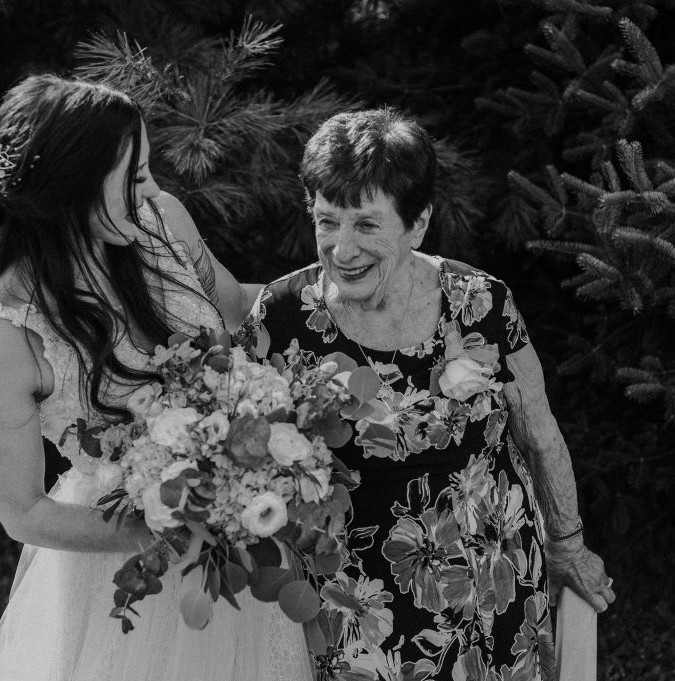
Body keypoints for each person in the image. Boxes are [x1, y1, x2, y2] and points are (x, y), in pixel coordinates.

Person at [0, 74, 311, 681]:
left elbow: (238, 308)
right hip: (121, 576)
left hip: (246, 537)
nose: (150, 186)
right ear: (70, 189)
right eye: (132, 177)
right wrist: (169, 528)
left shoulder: (161, 221)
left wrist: (340, 300)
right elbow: (23, 512)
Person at [241, 109, 614, 680]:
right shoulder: (283, 317)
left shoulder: (481, 303)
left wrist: (567, 544)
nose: (342, 249)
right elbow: (244, 451)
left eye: (367, 225)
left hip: (495, 582)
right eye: (327, 221)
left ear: (417, 225)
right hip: (359, 607)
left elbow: (539, 435)